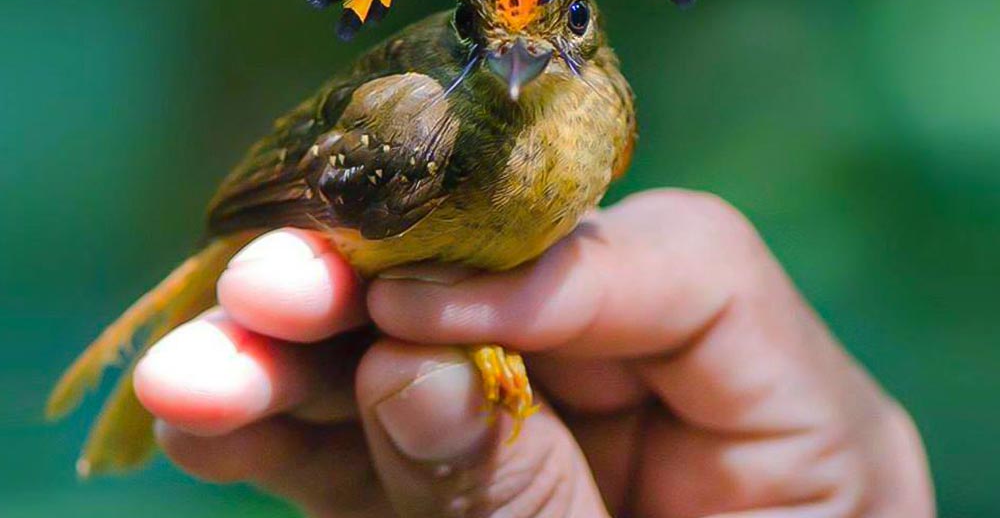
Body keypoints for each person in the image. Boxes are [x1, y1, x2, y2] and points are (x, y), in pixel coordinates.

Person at [133, 189, 935, 517]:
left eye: (569, 20)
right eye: (483, 30)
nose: (517, 61)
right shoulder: (434, 114)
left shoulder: (601, 117)